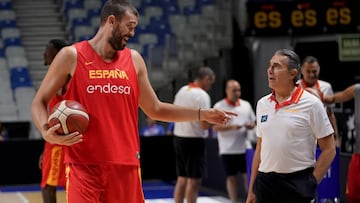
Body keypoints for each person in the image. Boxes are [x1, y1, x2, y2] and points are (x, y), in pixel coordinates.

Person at [31, 1, 234, 203]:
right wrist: (46, 130)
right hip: (83, 166)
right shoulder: (71, 56)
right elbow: (39, 101)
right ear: (112, 21)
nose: (132, 33)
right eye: (129, 26)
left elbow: (155, 109)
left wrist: (201, 114)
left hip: (126, 165)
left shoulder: (134, 60)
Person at [246, 49, 336, 203]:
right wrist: (252, 189)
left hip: (298, 183)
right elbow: (260, 149)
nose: (270, 70)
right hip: (265, 183)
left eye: (276, 66)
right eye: (269, 66)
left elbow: (329, 149)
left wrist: (311, 183)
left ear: (293, 74)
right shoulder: (262, 104)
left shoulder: (312, 104)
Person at [172, 66, 215, 203]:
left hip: (179, 137)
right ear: (206, 79)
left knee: (182, 178)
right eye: (210, 83)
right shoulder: (202, 96)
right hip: (194, 140)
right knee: (194, 181)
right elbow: (203, 124)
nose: (210, 86)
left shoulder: (182, 90)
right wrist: (216, 121)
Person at [213, 79, 256, 203]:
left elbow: (253, 122)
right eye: (234, 90)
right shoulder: (219, 107)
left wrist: (250, 125)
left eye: (239, 90)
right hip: (227, 149)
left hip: (244, 147)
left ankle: (250, 199)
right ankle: (233, 200)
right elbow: (215, 127)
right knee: (231, 177)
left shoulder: (246, 105)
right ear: (227, 91)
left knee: (248, 177)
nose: (237, 93)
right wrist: (232, 127)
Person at [39, 39, 71, 203]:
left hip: (64, 142)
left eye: (48, 50)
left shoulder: (67, 79)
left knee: (51, 188)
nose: (44, 53)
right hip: (53, 143)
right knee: (48, 186)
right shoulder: (53, 78)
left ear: (59, 54)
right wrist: (46, 149)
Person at [323, 84, 360, 203]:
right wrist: (318, 95)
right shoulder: (358, 89)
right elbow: (333, 98)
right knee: (353, 196)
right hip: (357, 155)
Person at [298, 56, 340, 146]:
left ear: (319, 70)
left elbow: (330, 113)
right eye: (308, 71)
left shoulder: (326, 86)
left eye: (314, 71)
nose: (311, 75)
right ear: (302, 70)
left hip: (322, 131)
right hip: (301, 132)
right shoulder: (295, 87)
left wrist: (336, 137)